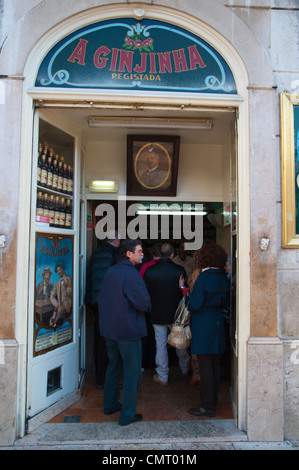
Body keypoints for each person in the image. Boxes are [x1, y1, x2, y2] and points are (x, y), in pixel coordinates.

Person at [98, 238, 151, 426]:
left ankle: (109, 405)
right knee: (132, 373)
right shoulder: (131, 274)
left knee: (113, 367)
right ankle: (127, 414)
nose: (142, 254)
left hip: (110, 330)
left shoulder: (111, 271)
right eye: (139, 251)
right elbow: (143, 303)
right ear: (129, 254)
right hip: (128, 331)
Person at [180, 242, 230, 417]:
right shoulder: (223, 277)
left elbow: (194, 305)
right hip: (218, 323)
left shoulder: (204, 278)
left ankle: (207, 406)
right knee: (215, 365)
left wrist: (186, 294)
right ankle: (213, 400)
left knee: (206, 366)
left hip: (203, 325)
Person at [143, 243, 190, 385]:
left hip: (157, 313)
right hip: (176, 314)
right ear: (172, 255)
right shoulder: (179, 270)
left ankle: (163, 376)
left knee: (160, 344)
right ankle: (185, 369)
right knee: (180, 343)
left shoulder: (150, 271)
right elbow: (185, 292)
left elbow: (146, 293)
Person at [84, 231, 120, 388]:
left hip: (95, 301)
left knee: (99, 339)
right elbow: (111, 281)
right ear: (116, 241)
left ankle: (101, 376)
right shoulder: (111, 255)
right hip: (105, 303)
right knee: (106, 342)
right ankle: (104, 379)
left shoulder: (98, 252)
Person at [139, 244, 161, 369]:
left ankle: (144, 363)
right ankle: (155, 363)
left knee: (146, 334)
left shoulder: (146, 266)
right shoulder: (168, 267)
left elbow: (140, 285)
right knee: (159, 338)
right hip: (164, 306)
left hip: (148, 305)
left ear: (152, 255)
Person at [50, 260, 72, 327]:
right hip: (61, 304)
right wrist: (55, 303)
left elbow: (73, 294)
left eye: (59, 269)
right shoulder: (57, 283)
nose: (58, 272)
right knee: (52, 320)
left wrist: (66, 288)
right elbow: (52, 296)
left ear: (63, 269)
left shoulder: (69, 279)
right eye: (57, 271)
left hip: (69, 304)